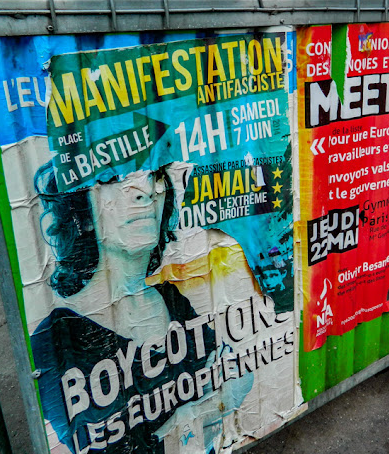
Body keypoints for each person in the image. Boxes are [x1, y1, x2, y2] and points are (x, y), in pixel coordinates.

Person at [31, 162, 252, 453]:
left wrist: (185, 417)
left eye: (155, 176)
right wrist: (205, 408)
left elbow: (236, 372)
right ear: (81, 209)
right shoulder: (54, 339)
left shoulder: (170, 297)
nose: (146, 191)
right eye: (113, 178)